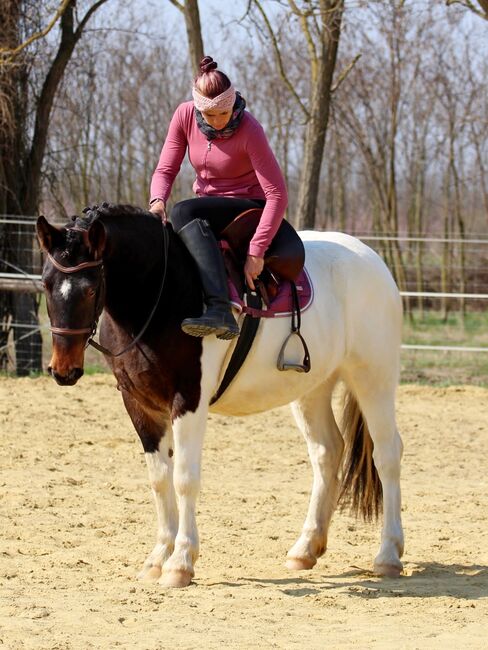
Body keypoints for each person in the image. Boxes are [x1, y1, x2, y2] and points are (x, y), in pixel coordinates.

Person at [149, 56, 288, 340]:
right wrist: (157, 201)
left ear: (233, 102)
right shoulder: (184, 115)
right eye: (209, 115)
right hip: (207, 206)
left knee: (183, 211)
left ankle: (220, 308)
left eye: (223, 113)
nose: (218, 121)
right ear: (197, 108)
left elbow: (277, 194)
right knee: (170, 228)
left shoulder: (250, 130)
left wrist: (256, 251)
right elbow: (165, 169)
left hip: (249, 207)